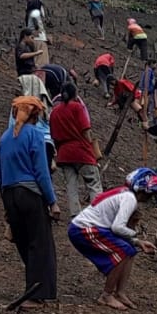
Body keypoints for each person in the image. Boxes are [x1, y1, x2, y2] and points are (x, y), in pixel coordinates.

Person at [0, 96, 60, 310]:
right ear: (36, 115)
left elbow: (0, 174)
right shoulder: (36, 135)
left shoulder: (5, 138)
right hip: (30, 195)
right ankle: (36, 295)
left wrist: (6, 206)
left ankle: (33, 289)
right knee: (39, 244)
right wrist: (52, 201)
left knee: (24, 242)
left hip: (9, 194)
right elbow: (42, 172)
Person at [68, 167, 157, 310]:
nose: (149, 198)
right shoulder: (129, 198)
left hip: (92, 228)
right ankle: (106, 295)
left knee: (130, 250)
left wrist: (137, 242)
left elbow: (115, 228)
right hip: (84, 229)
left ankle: (120, 292)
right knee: (122, 251)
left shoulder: (124, 193)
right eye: (149, 194)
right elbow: (117, 227)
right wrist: (135, 235)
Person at [50, 82, 102, 216]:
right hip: (82, 151)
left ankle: (75, 215)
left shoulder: (54, 111)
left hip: (64, 153)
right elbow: (86, 130)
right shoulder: (77, 108)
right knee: (93, 183)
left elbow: (54, 136)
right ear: (75, 94)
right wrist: (91, 146)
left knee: (71, 185)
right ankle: (98, 214)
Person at [26, 0, 49, 67]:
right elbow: (36, 24)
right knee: (41, 59)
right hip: (39, 38)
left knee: (35, 57)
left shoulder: (29, 13)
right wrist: (38, 30)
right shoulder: (35, 12)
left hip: (32, 37)